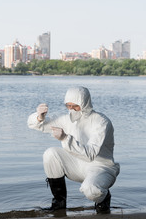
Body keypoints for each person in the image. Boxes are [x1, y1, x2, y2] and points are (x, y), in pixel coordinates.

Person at [27, 86, 120, 214]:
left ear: (85, 103)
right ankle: (59, 204)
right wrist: (39, 117)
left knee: (91, 190)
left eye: (75, 106)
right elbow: (39, 126)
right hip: (76, 165)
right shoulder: (66, 119)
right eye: (68, 106)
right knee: (50, 154)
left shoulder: (101, 122)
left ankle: (103, 198)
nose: (71, 109)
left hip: (101, 168)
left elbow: (90, 154)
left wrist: (65, 138)